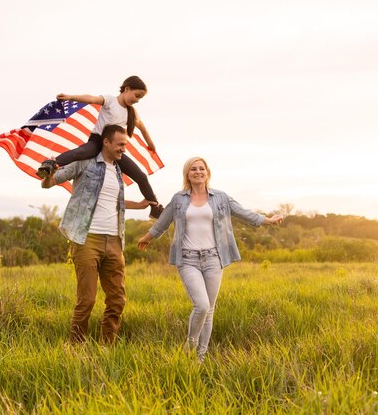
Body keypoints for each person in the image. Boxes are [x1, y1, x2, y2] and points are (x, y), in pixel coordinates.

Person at [137, 156, 283, 361]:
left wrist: (268, 220)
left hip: (214, 258)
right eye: (193, 169)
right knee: (202, 306)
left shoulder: (221, 197)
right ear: (187, 174)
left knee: (210, 310)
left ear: (207, 173)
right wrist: (147, 237)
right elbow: (163, 222)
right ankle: (190, 346)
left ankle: (200, 357)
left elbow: (243, 213)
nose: (198, 172)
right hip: (188, 259)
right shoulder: (179, 199)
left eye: (201, 169)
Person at [41, 124, 155, 344]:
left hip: (114, 241)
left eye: (125, 145)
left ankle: (107, 346)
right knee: (87, 300)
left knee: (117, 300)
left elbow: (112, 201)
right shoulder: (84, 162)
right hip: (87, 239)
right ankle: (76, 347)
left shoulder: (119, 171)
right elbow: (49, 183)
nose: (124, 149)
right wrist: (48, 175)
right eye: (120, 144)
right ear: (106, 142)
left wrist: (140, 206)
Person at [37, 75, 163, 219]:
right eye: (136, 95)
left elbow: (142, 127)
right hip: (97, 141)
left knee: (140, 176)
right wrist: (71, 97)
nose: (137, 100)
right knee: (81, 152)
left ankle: (155, 207)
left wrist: (151, 144)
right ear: (126, 89)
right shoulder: (110, 100)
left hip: (114, 148)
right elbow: (91, 99)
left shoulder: (131, 111)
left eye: (140, 98)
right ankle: (50, 164)